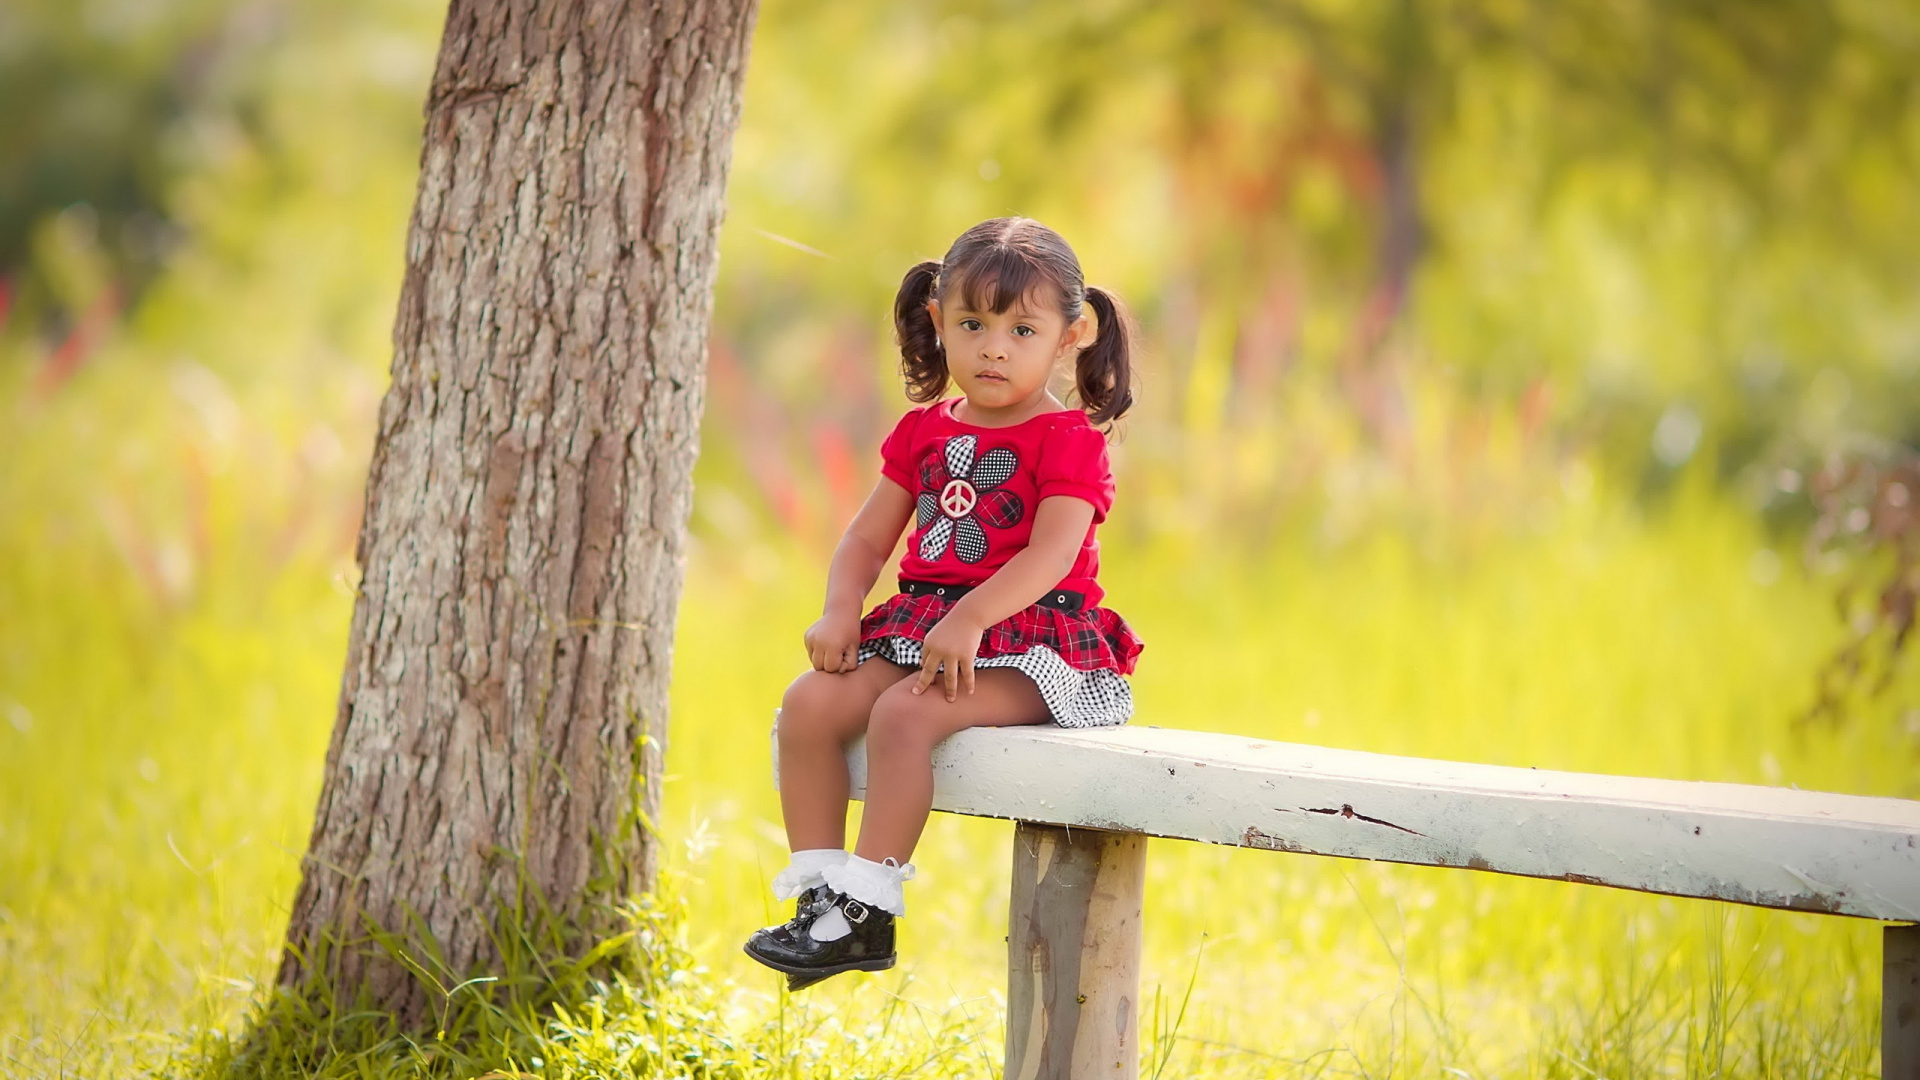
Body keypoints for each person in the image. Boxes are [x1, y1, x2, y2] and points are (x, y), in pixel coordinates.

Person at [742, 217, 1145, 991]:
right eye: (973, 324)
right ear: (938, 322)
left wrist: (970, 618)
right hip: (926, 623)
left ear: (1068, 336)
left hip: (1033, 641)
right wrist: (838, 608)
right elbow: (866, 541)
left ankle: (869, 909)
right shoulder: (925, 430)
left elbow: (1051, 554)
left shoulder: (1069, 438)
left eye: (1021, 329)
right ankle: (822, 899)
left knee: (905, 715)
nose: (994, 347)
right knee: (808, 706)